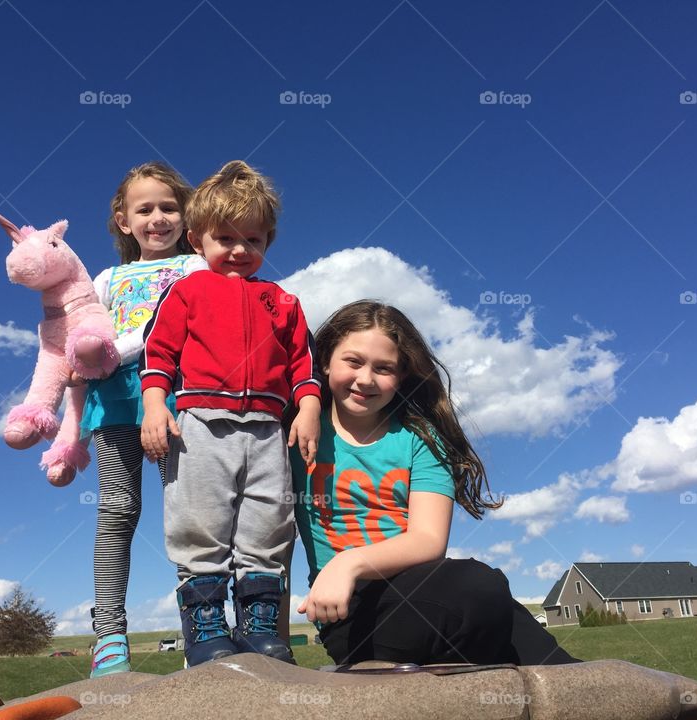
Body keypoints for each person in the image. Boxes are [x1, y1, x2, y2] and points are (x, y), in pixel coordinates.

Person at [291, 301, 579, 666]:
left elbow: (428, 539)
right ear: (325, 361)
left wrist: (348, 562)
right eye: (353, 361)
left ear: (402, 377)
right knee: (481, 591)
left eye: (384, 368)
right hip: (351, 612)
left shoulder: (421, 440)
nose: (366, 379)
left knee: (565, 671)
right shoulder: (299, 437)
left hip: (421, 588)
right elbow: (273, 544)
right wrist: (277, 646)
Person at [139, 160, 322, 666]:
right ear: (197, 239)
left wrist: (307, 407)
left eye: (253, 240)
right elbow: (158, 354)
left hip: (267, 431)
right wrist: (155, 405)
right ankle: (205, 628)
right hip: (199, 426)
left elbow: (304, 361)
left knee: (268, 523)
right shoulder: (187, 291)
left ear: (268, 240)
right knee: (199, 522)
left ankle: (260, 624)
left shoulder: (280, 300)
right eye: (226, 238)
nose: (240, 250)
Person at [82, 162, 207, 678]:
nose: (158, 218)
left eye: (169, 207)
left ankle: (200, 625)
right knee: (116, 510)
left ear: (187, 217)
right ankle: (109, 634)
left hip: (178, 400)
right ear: (123, 220)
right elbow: (81, 339)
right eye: (145, 209)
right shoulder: (107, 279)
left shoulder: (198, 268)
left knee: (188, 510)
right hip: (113, 403)